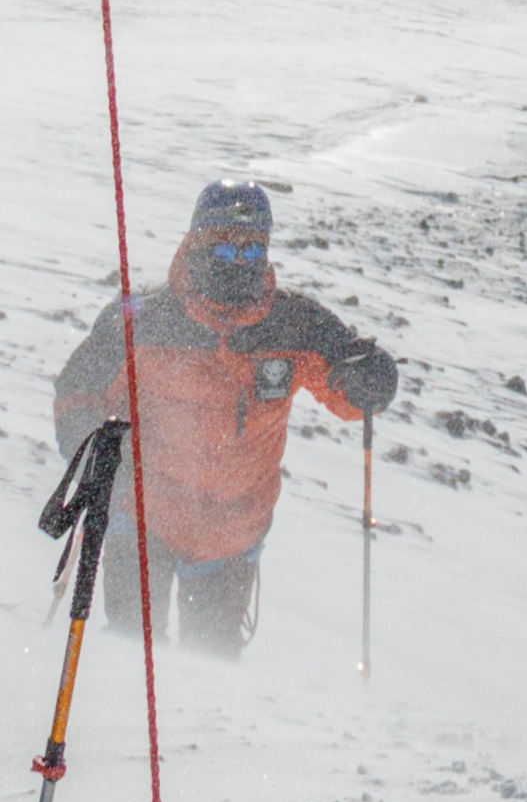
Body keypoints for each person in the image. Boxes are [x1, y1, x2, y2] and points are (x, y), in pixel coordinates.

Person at [52, 181, 397, 654]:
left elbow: (348, 390)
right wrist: (87, 448)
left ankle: (198, 729)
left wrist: (371, 383)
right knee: (131, 650)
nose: (239, 261)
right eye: (224, 247)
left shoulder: (295, 324)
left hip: (233, 530)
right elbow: (78, 388)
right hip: (141, 514)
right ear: (196, 243)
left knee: (210, 666)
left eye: (252, 251)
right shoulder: (145, 317)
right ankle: (121, 723)